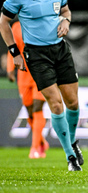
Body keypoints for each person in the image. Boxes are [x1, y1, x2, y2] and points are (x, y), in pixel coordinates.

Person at [0, 0, 83, 171]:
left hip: (60, 50)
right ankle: (70, 157)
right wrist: (14, 53)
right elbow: (3, 22)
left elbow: (66, 11)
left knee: (72, 103)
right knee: (55, 104)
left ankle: (72, 142)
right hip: (36, 56)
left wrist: (66, 20)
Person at [7, 21, 49, 159]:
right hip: (23, 74)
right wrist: (10, 69)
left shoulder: (42, 23)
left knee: (38, 108)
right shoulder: (16, 27)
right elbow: (12, 47)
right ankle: (41, 141)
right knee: (30, 111)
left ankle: (34, 148)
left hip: (40, 72)